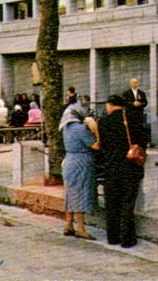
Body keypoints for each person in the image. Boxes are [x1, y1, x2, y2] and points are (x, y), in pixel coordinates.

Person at [99, 94, 146, 247]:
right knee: (127, 202)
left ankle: (112, 237)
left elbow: (103, 146)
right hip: (129, 167)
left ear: (110, 105)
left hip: (111, 167)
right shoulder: (132, 119)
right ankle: (127, 239)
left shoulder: (103, 122)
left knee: (112, 203)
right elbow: (143, 140)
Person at [60, 96, 98, 240]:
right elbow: (95, 145)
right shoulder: (81, 128)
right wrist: (95, 131)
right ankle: (81, 228)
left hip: (69, 160)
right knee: (81, 193)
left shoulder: (66, 128)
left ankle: (68, 225)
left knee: (70, 193)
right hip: (82, 162)